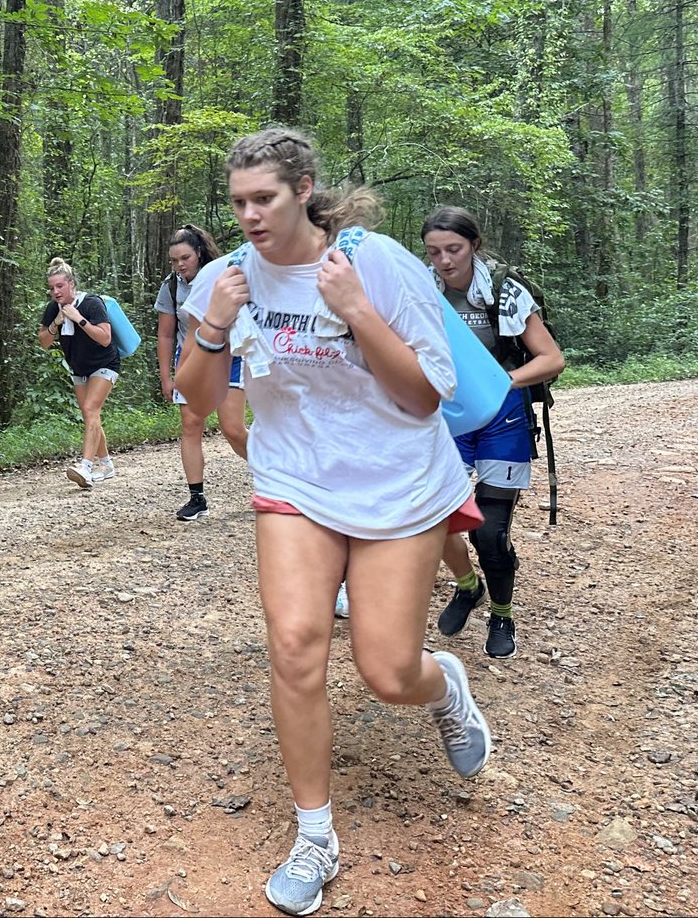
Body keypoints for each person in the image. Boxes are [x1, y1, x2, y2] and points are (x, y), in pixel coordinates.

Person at [176, 128, 491, 917]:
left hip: (397, 484)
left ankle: (442, 685)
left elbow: (426, 396)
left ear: (302, 188)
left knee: (388, 674)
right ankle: (313, 834)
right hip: (296, 479)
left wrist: (354, 312)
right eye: (237, 202)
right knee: (293, 645)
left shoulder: (371, 262)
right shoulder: (226, 276)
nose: (248, 216)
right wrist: (213, 325)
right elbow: (195, 395)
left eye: (264, 199)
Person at [422, 206, 565, 659]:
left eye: (454, 249)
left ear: (474, 246)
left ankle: (502, 613)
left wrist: (501, 382)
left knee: (490, 531)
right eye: (434, 251)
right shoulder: (422, 290)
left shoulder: (503, 292)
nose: (444, 260)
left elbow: (550, 358)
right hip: (448, 417)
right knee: (434, 517)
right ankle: (468, 587)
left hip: (503, 415)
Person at [154, 224, 249, 520]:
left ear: (198, 253)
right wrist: (166, 376)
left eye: (184, 258)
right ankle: (197, 498)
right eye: (174, 260)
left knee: (232, 428)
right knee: (191, 425)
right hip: (192, 356)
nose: (179, 265)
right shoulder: (171, 287)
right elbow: (166, 335)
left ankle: (276, 478)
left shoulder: (224, 274)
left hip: (229, 355)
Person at [38, 257, 120, 489]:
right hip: (79, 368)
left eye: (60, 286)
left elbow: (105, 338)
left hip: (105, 364)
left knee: (91, 409)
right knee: (89, 416)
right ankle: (106, 464)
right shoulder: (53, 308)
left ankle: (86, 466)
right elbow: (43, 341)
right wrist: (56, 322)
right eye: (52, 288)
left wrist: (79, 319)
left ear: (71, 284)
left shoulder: (92, 303)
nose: (56, 292)